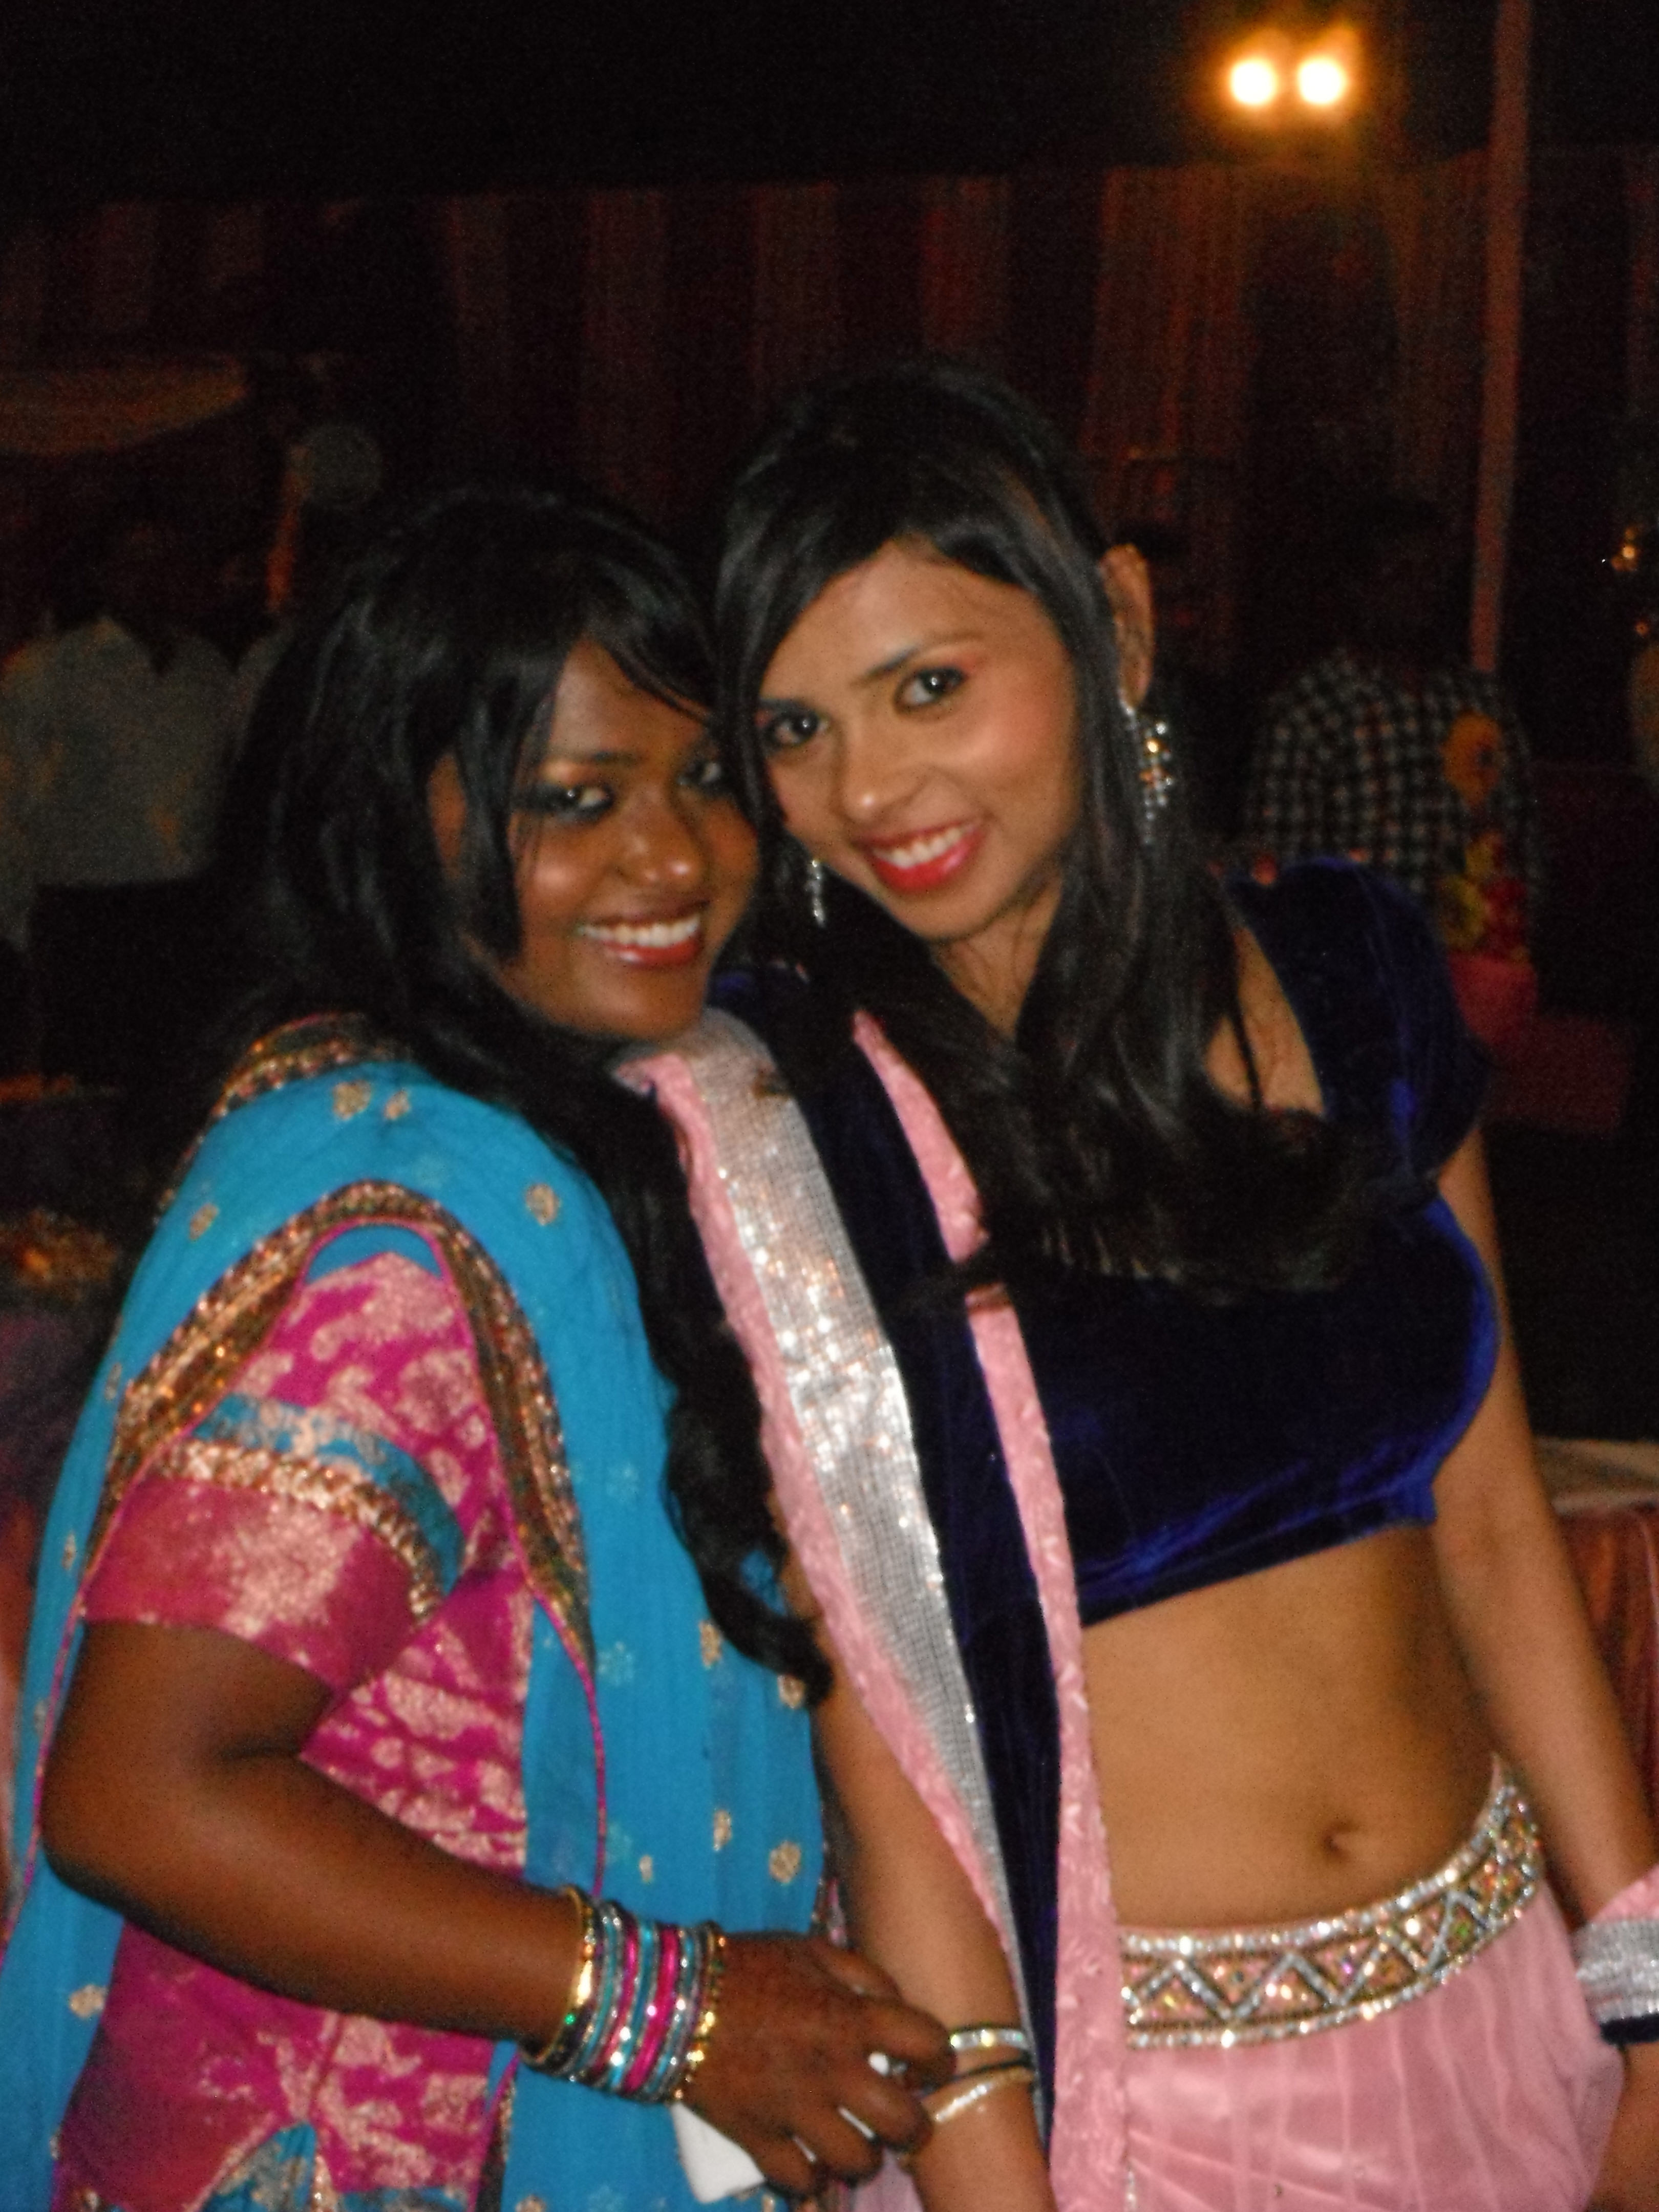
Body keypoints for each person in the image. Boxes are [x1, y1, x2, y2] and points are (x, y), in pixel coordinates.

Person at [628, 363, 1659, 2211]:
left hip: (1506, 2010)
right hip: (1145, 2105)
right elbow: (886, 1748)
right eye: (795, 727)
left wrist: (1645, 1987)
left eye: (927, 686)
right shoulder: (799, 1126)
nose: (868, 789)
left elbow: (1497, 1522)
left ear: (1112, 621)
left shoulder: (1348, 967)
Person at [0, 483, 947, 2211]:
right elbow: (143, 1795)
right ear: (394, 818)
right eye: (573, 801)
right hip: (366, 2146)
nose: (676, 860)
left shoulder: (590, 1115)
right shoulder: (402, 1242)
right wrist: (671, 2005)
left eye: (707, 779)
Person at [1242, 497, 1544, 1059]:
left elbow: (1522, 849)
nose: (1421, 592)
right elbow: (1279, 881)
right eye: (1399, 574)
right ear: (1357, 587)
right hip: (1357, 1003)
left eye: (1434, 575)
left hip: (1468, 1003)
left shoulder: (1481, 705)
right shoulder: (1312, 712)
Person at [0, 501, 236, 1094]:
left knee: (180, 1090)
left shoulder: (208, 670)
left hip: (184, 915)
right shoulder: (50, 671)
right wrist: (22, 926)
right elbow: (9, 802)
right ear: (102, 574)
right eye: (135, 563)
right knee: (88, 1100)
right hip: (87, 918)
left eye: (168, 561)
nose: (153, 578)